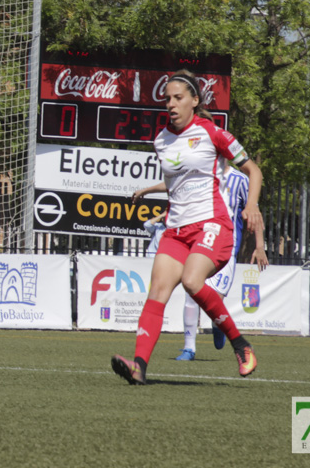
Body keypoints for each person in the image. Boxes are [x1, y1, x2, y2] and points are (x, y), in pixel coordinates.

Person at [111, 69, 264, 385]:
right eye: (167, 99)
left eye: (178, 98)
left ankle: (241, 345)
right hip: (176, 230)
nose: (170, 104)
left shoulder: (214, 133)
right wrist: (151, 194)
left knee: (192, 282)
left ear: (194, 101)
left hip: (212, 224)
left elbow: (254, 170)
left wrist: (251, 205)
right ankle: (139, 367)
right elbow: (177, 186)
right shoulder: (161, 140)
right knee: (157, 292)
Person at [136, 167, 269, 362]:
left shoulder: (240, 180)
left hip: (226, 246)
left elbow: (254, 211)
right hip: (200, 241)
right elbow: (174, 184)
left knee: (214, 298)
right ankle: (189, 348)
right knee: (191, 288)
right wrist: (147, 190)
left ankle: (219, 325)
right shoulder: (200, 172)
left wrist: (259, 246)